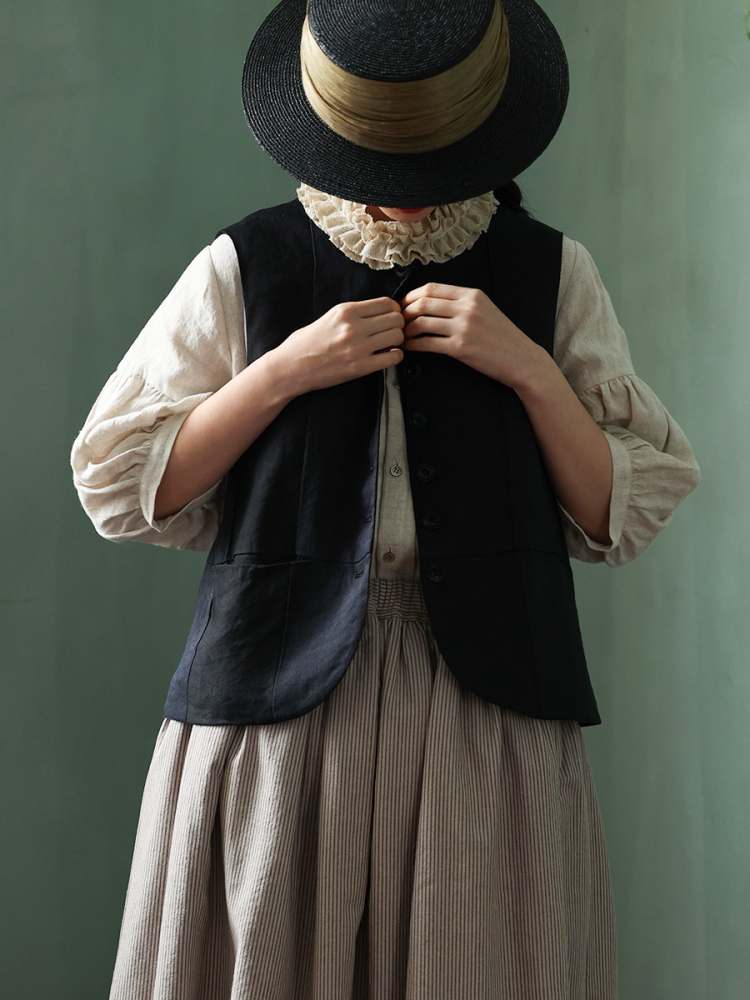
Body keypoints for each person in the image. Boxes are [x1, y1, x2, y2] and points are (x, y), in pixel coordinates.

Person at [70, 1, 702, 997]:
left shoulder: (550, 271)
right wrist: (280, 372)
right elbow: (122, 487)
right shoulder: (246, 263)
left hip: (487, 707)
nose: (404, 196)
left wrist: (529, 368)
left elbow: (614, 514)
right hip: (276, 702)